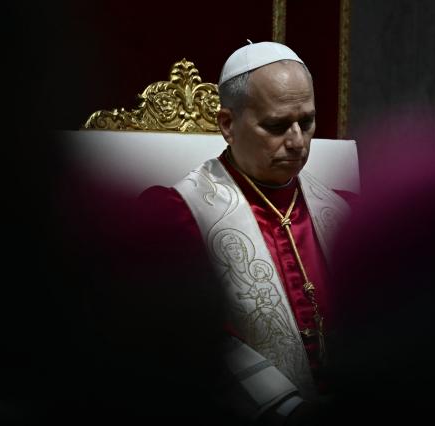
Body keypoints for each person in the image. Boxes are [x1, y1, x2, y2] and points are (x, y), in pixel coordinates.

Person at [138, 41, 356, 424]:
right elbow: (196, 337)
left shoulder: (344, 210)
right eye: (275, 125)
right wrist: (288, 410)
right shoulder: (176, 215)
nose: (297, 142)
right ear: (227, 125)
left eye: (306, 122)